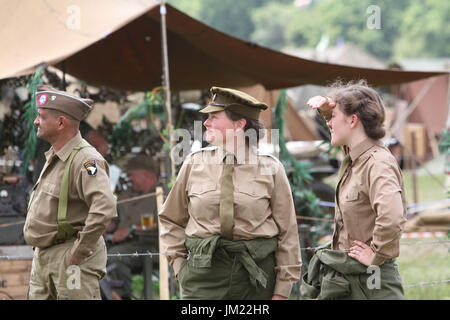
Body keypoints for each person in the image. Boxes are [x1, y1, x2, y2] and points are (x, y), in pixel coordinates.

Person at [159, 86, 302, 300]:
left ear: (239, 124)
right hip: (202, 278)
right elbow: (170, 219)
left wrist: (281, 292)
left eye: (214, 117)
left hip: (254, 279)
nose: (206, 123)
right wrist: (181, 267)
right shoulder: (194, 163)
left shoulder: (270, 168)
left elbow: (287, 233)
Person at [303, 80, 406, 299]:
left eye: (334, 117)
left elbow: (392, 216)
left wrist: (376, 254)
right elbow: (338, 133)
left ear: (352, 120)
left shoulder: (377, 162)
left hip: (371, 282)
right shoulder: (355, 159)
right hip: (349, 280)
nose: (329, 124)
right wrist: (327, 111)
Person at [24, 85, 117, 300]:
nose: (36, 121)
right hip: (45, 258)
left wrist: (78, 252)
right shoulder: (55, 156)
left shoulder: (85, 159)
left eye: (41, 116)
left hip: (70, 260)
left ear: (60, 122)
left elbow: (104, 206)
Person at [105, 154, 160, 300]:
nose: (130, 178)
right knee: (95, 254)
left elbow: (163, 224)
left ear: (147, 175)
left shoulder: (161, 194)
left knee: (116, 255)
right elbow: (115, 220)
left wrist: (131, 229)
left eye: (133, 174)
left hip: (150, 245)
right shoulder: (127, 194)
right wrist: (106, 227)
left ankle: (123, 295)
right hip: (122, 244)